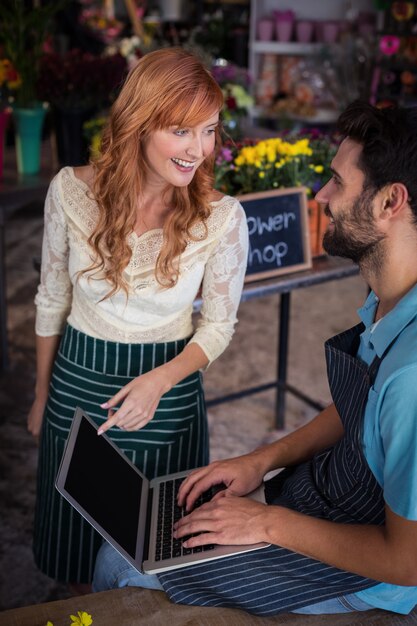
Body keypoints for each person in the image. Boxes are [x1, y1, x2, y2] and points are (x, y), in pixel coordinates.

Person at [93, 100, 417, 617]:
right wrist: (260, 461)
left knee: (121, 563)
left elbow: (408, 561)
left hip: (369, 571)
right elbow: (363, 411)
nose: (321, 196)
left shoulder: (413, 376)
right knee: (158, 524)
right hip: (332, 498)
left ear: (389, 202)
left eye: (336, 181)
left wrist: (264, 523)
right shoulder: (393, 302)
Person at [29, 47, 249, 589]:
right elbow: (51, 298)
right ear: (139, 124)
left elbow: (218, 326)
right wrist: (40, 394)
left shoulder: (221, 219)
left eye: (208, 130)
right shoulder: (69, 191)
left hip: (167, 397)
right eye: (181, 131)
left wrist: (161, 379)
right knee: (73, 553)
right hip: (76, 379)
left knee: (146, 559)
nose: (198, 149)